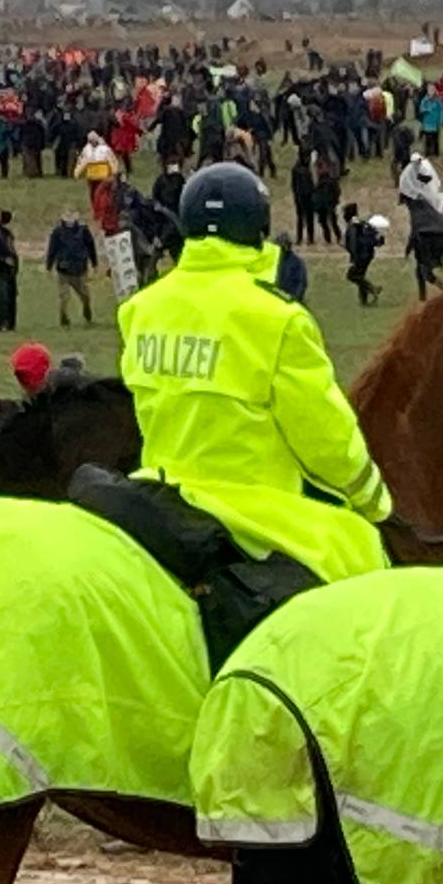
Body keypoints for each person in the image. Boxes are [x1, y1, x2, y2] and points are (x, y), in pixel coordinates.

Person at [118, 161, 393, 584]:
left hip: (160, 493)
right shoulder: (278, 317)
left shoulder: (140, 308)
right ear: (257, 226)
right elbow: (324, 437)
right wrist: (372, 499)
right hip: (254, 513)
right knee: (364, 563)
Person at [45, 210, 98, 326]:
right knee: (64, 297)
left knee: (85, 296)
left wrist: (94, 263)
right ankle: (63, 318)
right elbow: (52, 249)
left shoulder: (83, 231)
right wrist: (49, 266)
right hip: (63, 271)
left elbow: (91, 247)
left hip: (80, 270)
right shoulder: (57, 232)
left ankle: (87, 312)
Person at [344, 209, 386, 306]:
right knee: (360, 276)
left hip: (361, 255)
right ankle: (364, 301)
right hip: (368, 253)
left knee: (352, 276)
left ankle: (373, 289)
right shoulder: (362, 223)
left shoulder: (352, 226)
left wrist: (354, 257)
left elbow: (353, 243)